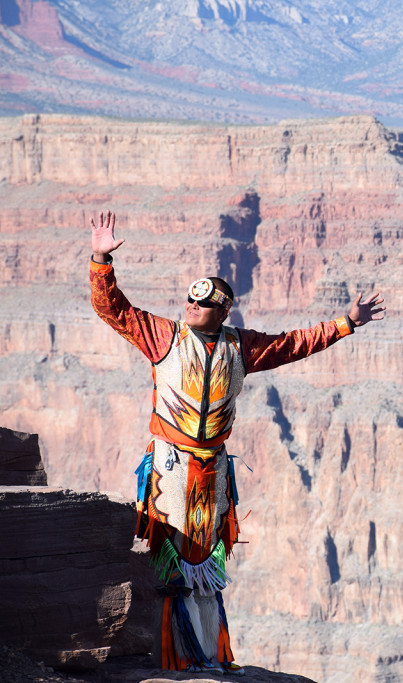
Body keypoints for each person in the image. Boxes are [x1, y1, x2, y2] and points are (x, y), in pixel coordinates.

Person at [88, 210, 384, 674]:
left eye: (201, 304)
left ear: (223, 311)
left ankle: (209, 653)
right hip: (171, 465)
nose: (190, 306)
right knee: (174, 557)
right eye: (188, 299)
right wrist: (102, 259)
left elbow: (294, 343)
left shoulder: (240, 346)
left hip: (214, 468)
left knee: (207, 561)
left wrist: (345, 323)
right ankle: (175, 658)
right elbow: (114, 310)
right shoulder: (165, 336)